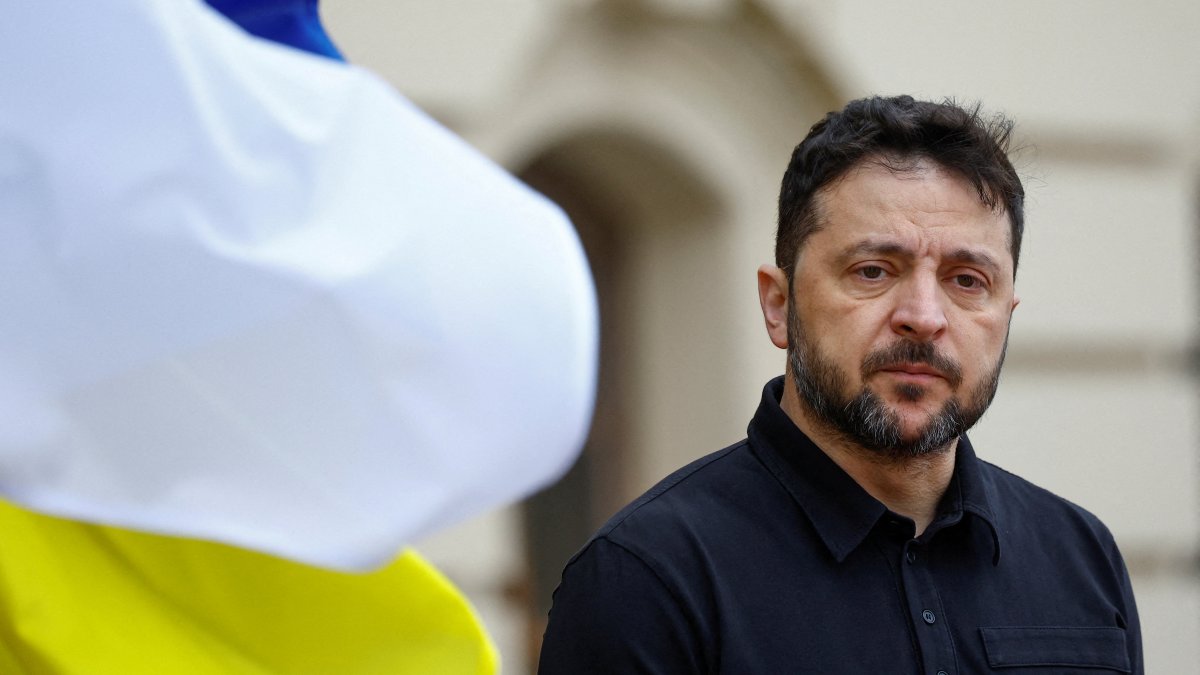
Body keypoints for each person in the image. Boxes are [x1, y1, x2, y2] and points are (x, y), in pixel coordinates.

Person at [538, 95, 1142, 674]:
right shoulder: (647, 580)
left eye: (967, 280)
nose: (924, 317)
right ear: (779, 306)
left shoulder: (1081, 558)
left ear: (1007, 314)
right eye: (873, 271)